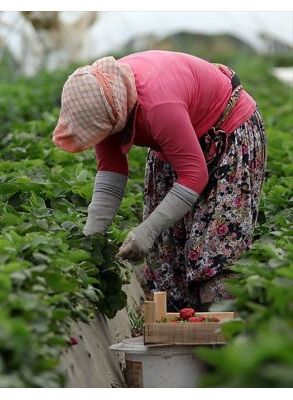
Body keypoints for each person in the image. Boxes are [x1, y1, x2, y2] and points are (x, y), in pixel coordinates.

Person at [52, 50, 267, 311]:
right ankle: (179, 325)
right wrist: (90, 241)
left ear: (118, 115)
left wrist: (148, 229)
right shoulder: (103, 98)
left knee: (214, 247)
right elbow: (111, 172)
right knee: (167, 251)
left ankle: (222, 332)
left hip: (229, 130)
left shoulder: (157, 105)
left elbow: (193, 174)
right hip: (176, 135)